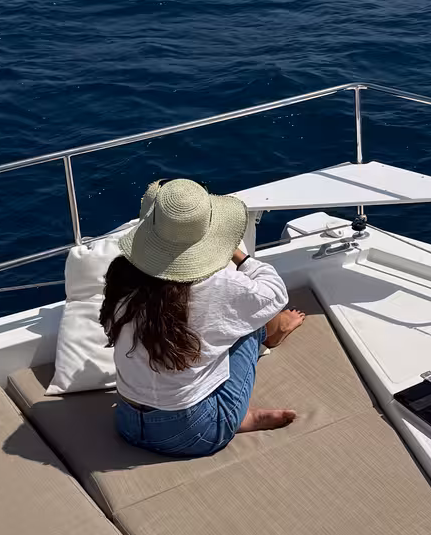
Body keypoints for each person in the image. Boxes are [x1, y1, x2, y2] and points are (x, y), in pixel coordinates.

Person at [101, 176, 307, 460]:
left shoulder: (122, 276)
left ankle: (233, 415)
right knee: (249, 324)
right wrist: (234, 253)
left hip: (127, 422)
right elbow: (274, 293)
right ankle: (268, 346)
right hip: (195, 435)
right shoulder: (221, 285)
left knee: (204, 333)